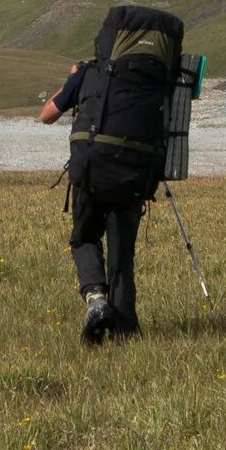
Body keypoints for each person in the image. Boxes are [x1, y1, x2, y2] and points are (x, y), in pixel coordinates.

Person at [41, 60, 144, 344]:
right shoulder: (145, 75)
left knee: (84, 237)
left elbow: (47, 114)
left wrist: (72, 79)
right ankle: (125, 330)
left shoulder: (90, 72)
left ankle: (96, 299)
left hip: (91, 169)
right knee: (122, 252)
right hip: (133, 171)